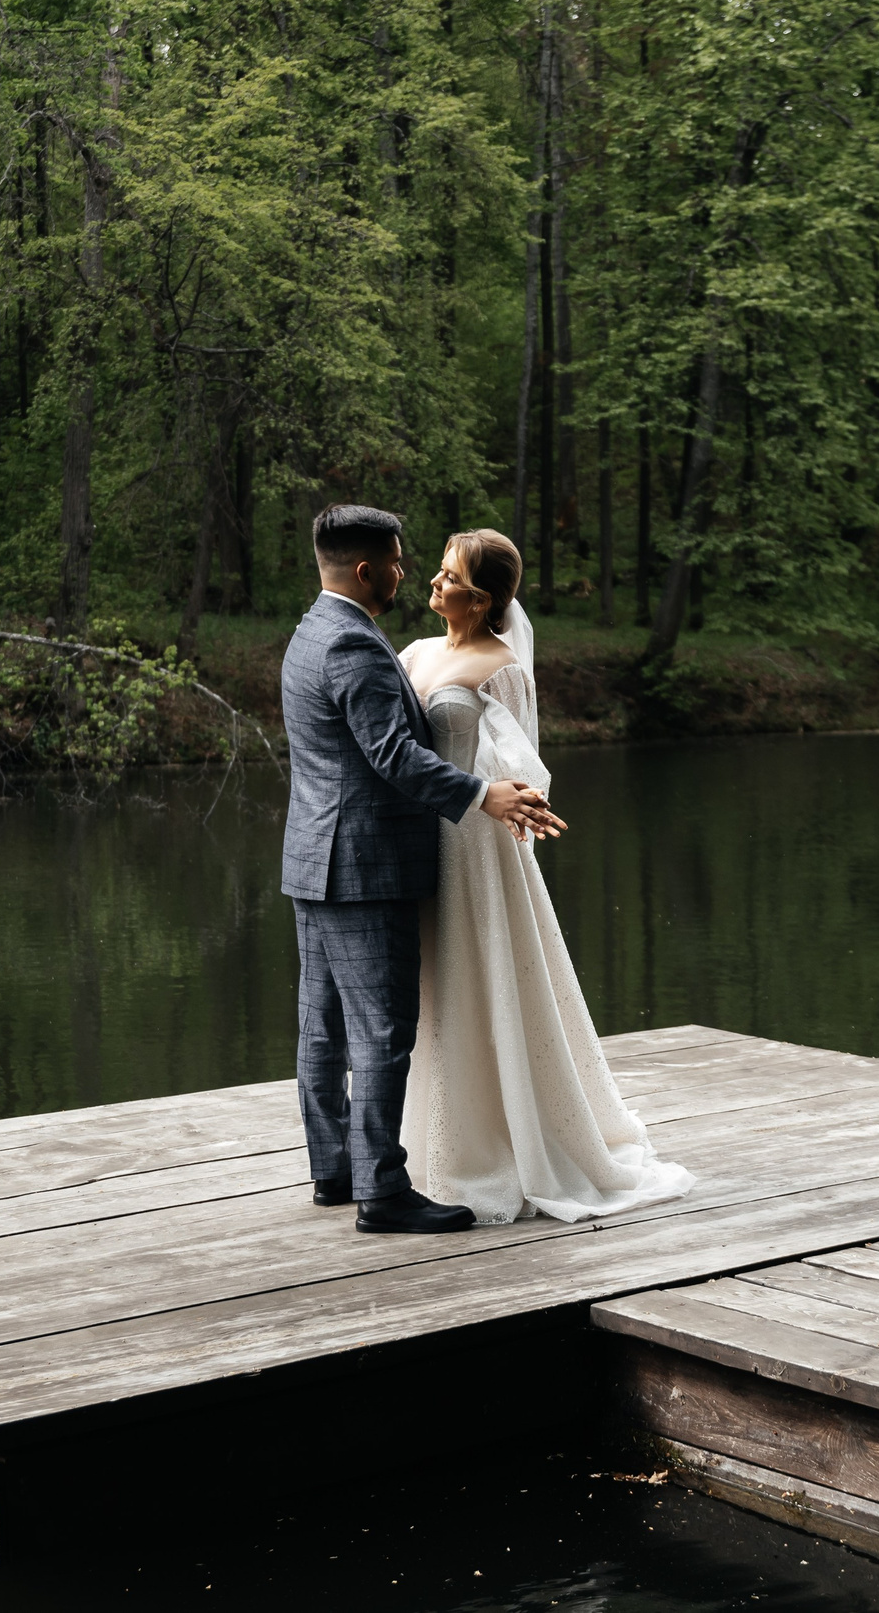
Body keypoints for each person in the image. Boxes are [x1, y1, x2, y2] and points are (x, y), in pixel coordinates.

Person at [279, 504, 565, 1234]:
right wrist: (482, 792)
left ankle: (334, 1171)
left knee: (323, 1029)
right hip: (365, 864)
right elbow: (395, 757)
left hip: (314, 858)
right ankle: (382, 1189)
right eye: (403, 563)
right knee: (382, 1031)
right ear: (368, 569)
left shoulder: (314, 630)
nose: (411, 575)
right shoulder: (356, 645)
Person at [398, 529, 695, 1224]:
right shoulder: (414, 652)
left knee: (482, 980)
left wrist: (514, 796)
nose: (434, 585)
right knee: (430, 989)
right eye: (439, 573)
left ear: (482, 598)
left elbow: (517, 761)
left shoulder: (502, 665)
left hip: (474, 845)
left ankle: (500, 1143)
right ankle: (420, 1140)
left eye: (449, 578)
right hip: (421, 838)